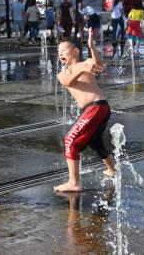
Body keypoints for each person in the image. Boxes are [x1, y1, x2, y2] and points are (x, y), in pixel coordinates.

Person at [54, 28, 116, 192]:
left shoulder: (86, 63)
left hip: (97, 107)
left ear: (75, 51)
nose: (60, 53)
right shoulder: (62, 74)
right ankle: (112, 170)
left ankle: (74, 183)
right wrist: (81, 70)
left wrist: (92, 47)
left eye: (64, 50)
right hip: (95, 109)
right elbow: (68, 82)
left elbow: (99, 66)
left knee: (70, 141)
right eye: (58, 51)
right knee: (95, 143)